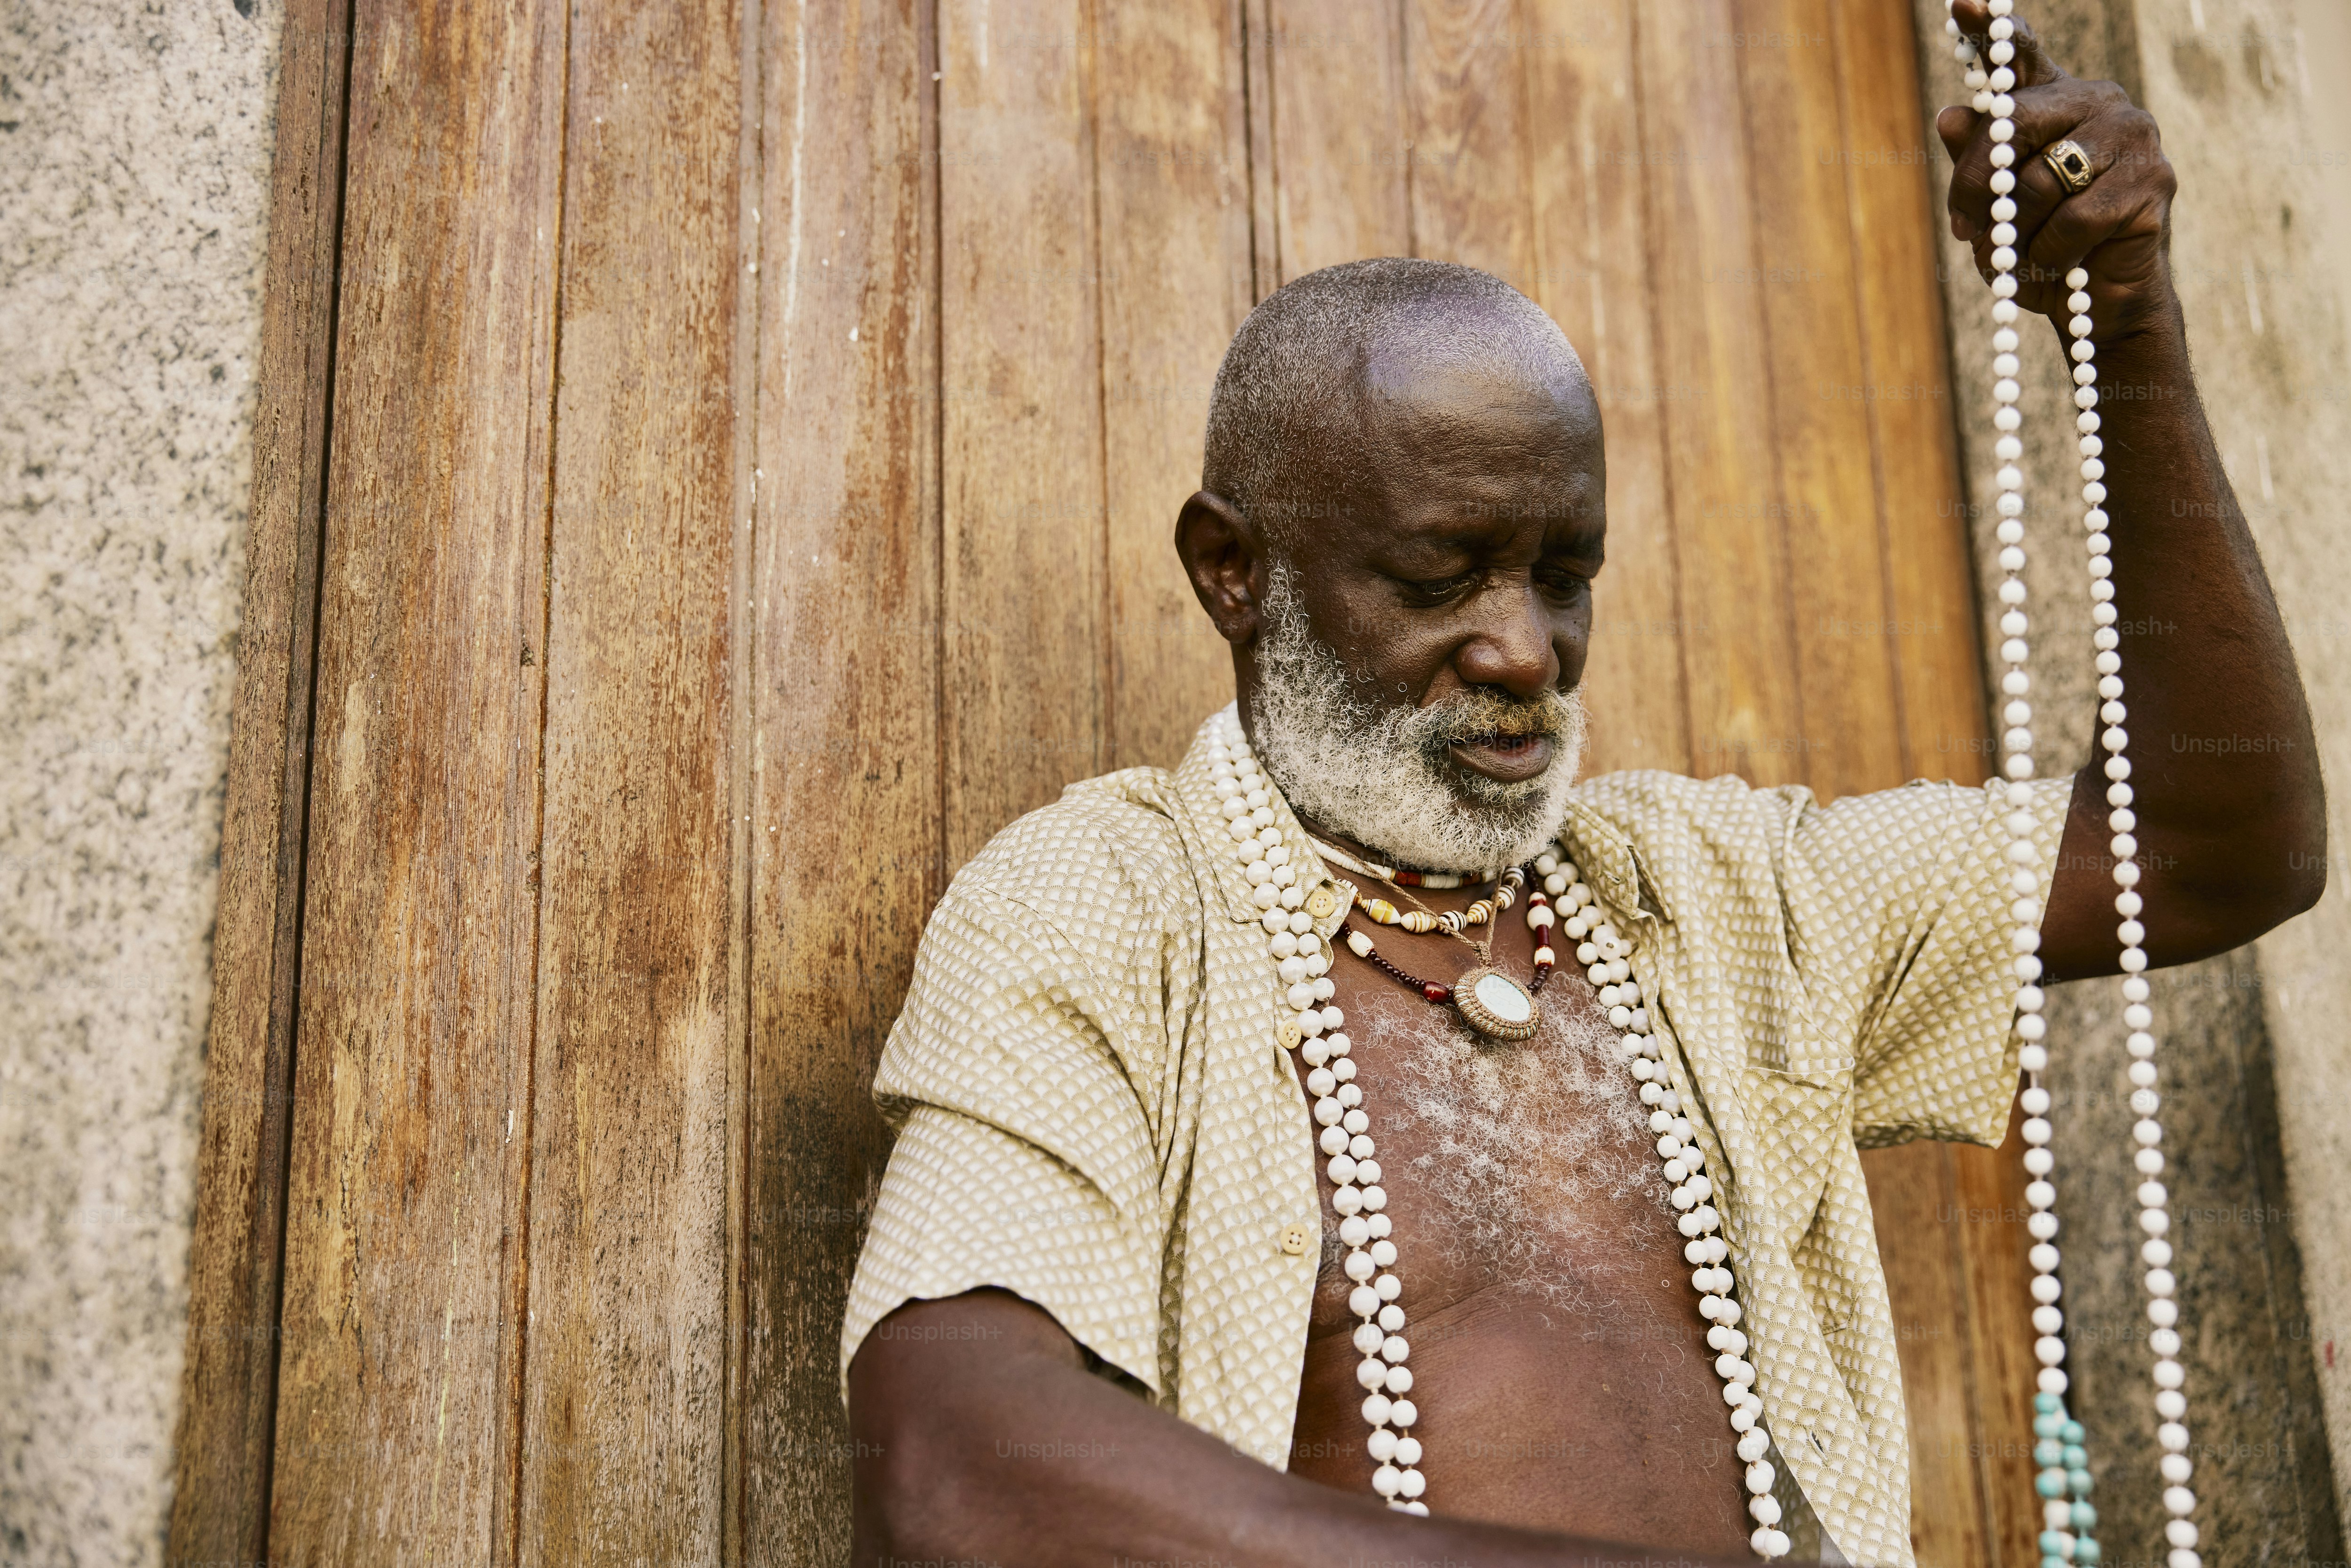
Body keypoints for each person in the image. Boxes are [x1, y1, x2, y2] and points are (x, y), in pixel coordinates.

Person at [837, 5, 2324, 1564]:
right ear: (1235, 573)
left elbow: (2216, 848)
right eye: (1444, 578)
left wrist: (2128, 325)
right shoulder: (1104, 907)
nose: (1526, 653)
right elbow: (953, 1472)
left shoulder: (1713, 893)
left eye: (1564, 577)